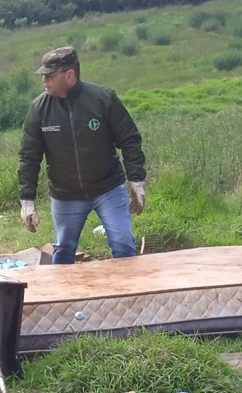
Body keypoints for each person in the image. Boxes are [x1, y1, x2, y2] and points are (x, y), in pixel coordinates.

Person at [18, 46, 147, 264]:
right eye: (43, 76)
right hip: (65, 195)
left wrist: (137, 180)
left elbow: (129, 139)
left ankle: (127, 297)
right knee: (63, 251)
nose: (44, 81)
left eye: (50, 76)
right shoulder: (40, 109)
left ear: (69, 75)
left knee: (123, 243)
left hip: (108, 189)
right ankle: (64, 298)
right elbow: (29, 157)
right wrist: (27, 200)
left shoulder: (103, 100)